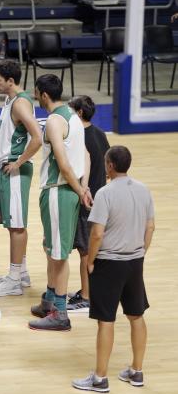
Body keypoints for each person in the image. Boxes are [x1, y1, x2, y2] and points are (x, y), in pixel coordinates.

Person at [71, 146, 154, 393]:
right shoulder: (143, 190)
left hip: (109, 262)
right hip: (134, 261)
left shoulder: (105, 194)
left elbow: (96, 234)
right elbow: (150, 227)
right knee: (136, 315)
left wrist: (90, 261)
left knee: (106, 320)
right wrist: (141, 252)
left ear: (109, 166)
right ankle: (137, 371)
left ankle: (99, 378)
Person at [28, 74, 91, 332]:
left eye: (36, 92)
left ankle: (60, 314)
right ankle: (51, 300)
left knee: (59, 253)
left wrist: (78, 190)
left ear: (44, 95)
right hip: (70, 189)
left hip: (58, 191)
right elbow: (86, 155)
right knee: (52, 248)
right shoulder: (73, 116)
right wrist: (84, 187)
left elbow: (64, 165)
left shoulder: (54, 121)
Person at [0, 60, 42, 297]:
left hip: (15, 170)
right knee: (11, 224)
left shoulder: (20, 104)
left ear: (11, 80)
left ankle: (14, 280)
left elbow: (38, 137)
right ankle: (22, 272)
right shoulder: (10, 100)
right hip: (5, 168)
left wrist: (18, 162)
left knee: (17, 226)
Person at [67, 96, 110, 312]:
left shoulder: (79, 137)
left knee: (86, 250)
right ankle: (89, 290)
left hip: (86, 200)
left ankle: (86, 295)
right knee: (91, 248)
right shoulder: (100, 133)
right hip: (100, 197)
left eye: (70, 111)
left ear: (79, 113)